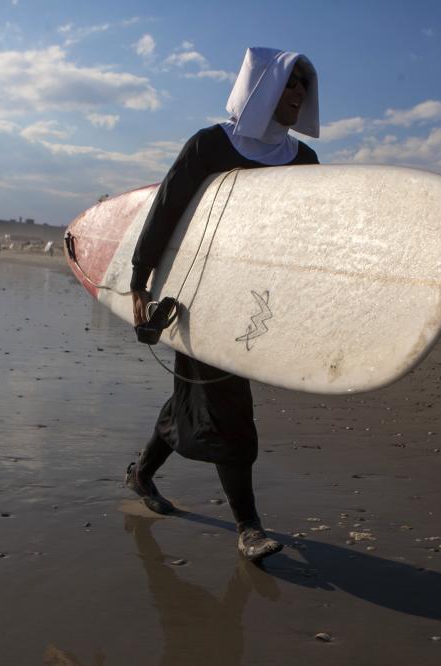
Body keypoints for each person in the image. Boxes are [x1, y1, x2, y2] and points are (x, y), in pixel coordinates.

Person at [125, 47, 320, 563]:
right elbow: (166, 209)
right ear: (261, 87)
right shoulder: (212, 145)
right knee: (226, 400)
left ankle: (141, 472)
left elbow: (311, 238)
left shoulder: (303, 161)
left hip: (259, 302)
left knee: (196, 397)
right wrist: (140, 280)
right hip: (198, 294)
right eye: (290, 81)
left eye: (304, 82)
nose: (300, 91)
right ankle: (248, 526)